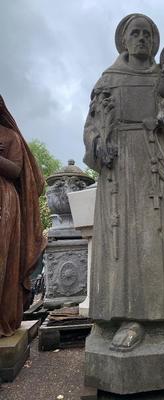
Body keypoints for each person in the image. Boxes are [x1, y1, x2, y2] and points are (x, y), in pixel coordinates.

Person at [83, 14, 164, 351]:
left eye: (147, 34)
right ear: (123, 40)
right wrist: (98, 144)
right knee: (129, 244)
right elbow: (92, 125)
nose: (141, 39)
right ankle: (130, 320)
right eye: (134, 33)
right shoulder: (108, 79)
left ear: (154, 42)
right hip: (120, 171)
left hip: (156, 162)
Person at [0, 95, 45, 337]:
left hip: (4, 202)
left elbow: (16, 169)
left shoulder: (10, 137)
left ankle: (3, 317)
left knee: (3, 259)